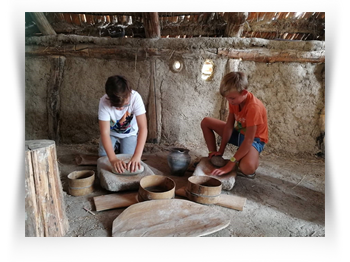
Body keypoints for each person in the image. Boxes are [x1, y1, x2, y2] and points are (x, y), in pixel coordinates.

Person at [200, 71, 268, 178]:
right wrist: (220, 151)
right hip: (239, 135)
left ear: (244, 93)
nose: (229, 101)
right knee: (206, 122)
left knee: (247, 168)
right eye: (227, 98)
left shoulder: (254, 108)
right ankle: (213, 156)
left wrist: (231, 163)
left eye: (231, 98)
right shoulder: (234, 100)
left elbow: (249, 140)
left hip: (254, 140)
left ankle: (249, 156)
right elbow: (229, 126)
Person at [98, 75, 147, 174]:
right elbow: (105, 133)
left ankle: (119, 147)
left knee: (129, 160)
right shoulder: (104, 102)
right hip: (111, 133)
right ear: (109, 99)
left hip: (130, 133)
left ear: (129, 93)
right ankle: (115, 148)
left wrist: (137, 156)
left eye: (125, 105)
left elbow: (143, 128)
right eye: (116, 107)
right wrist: (112, 160)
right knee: (103, 158)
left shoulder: (135, 98)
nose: (121, 109)